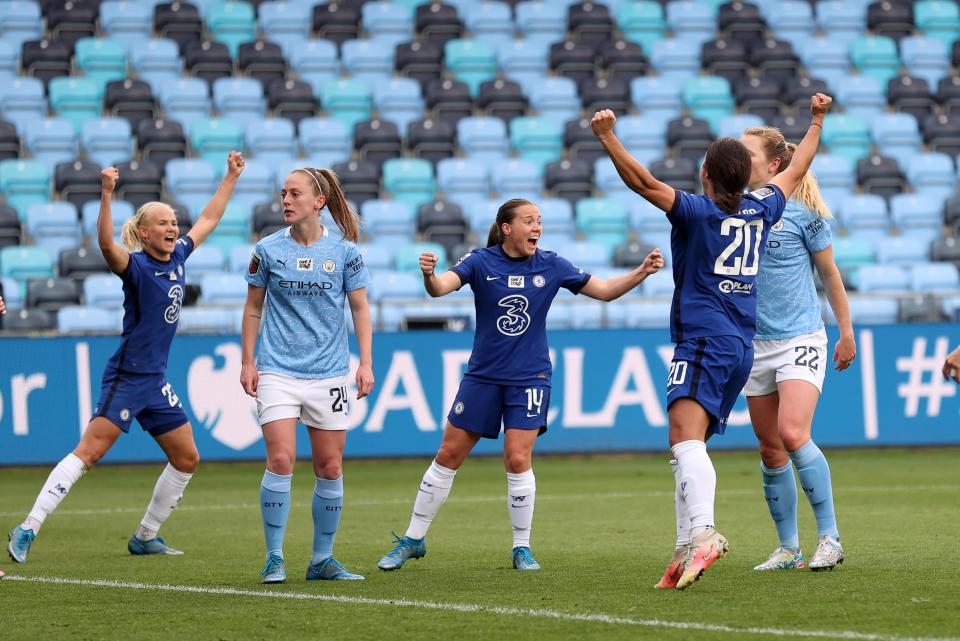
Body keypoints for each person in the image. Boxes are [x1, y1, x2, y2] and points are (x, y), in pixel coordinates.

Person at [592, 94, 833, 590]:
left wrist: (607, 137)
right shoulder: (763, 207)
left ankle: (702, 533)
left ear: (705, 174)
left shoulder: (696, 212)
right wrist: (815, 121)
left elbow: (641, 182)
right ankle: (685, 548)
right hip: (742, 345)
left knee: (684, 439)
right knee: (686, 442)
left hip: (704, 339)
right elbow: (799, 165)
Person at [376, 198, 664, 572]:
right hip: (483, 376)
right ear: (507, 228)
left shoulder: (552, 264)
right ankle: (413, 540)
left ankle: (521, 548)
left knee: (517, 458)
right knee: (448, 456)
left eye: (539, 221)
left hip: (530, 377)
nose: (537, 228)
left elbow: (605, 291)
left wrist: (641, 271)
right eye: (529, 221)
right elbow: (440, 288)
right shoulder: (480, 261)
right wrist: (429, 275)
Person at [7, 152, 245, 564]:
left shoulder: (179, 257)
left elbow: (209, 219)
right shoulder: (134, 267)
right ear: (145, 232)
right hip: (128, 378)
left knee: (187, 457)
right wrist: (105, 194)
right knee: (89, 453)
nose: (173, 227)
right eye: (163, 223)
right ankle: (28, 527)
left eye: (173, 222)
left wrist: (230, 177)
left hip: (155, 380)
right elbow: (104, 243)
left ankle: (145, 535)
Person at [240, 167, 374, 584]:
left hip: (330, 375)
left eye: (294, 194)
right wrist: (249, 361)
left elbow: (360, 309)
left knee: (329, 468)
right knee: (280, 460)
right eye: (283, 194)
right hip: (278, 371)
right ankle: (274, 556)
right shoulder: (266, 250)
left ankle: (321, 559)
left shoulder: (345, 252)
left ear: (319, 202)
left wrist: (365, 362)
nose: (285, 201)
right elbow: (252, 308)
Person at [740, 126, 856, 573]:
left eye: (747, 151)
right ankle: (788, 547)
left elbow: (830, 275)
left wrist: (845, 332)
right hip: (755, 343)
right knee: (769, 447)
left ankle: (830, 537)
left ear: (773, 165)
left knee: (792, 433)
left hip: (801, 337)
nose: (739, 156)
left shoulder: (804, 214)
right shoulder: (732, 211)